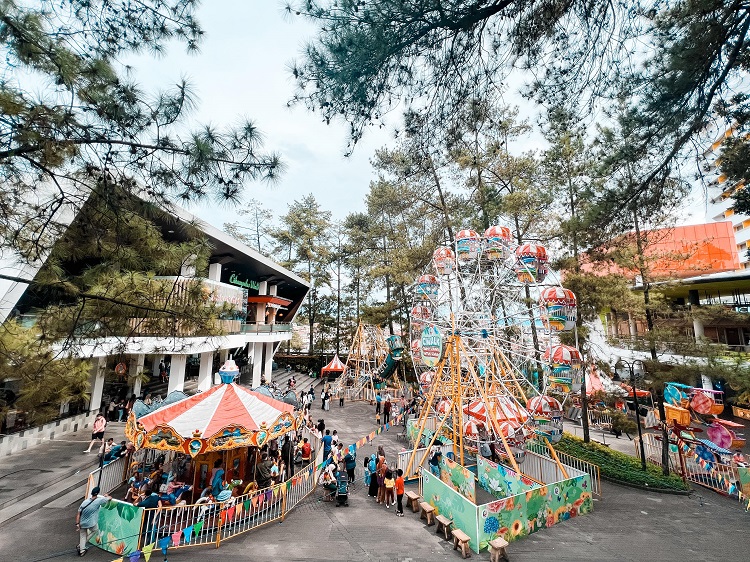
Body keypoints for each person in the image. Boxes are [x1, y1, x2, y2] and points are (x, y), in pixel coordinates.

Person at [76, 486, 110, 556]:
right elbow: (109, 498)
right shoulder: (99, 500)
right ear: (97, 493)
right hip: (91, 523)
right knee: (95, 530)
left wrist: (77, 523)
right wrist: (106, 495)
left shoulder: (85, 502)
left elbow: (79, 513)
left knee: (82, 535)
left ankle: (82, 550)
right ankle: (80, 546)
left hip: (82, 522)